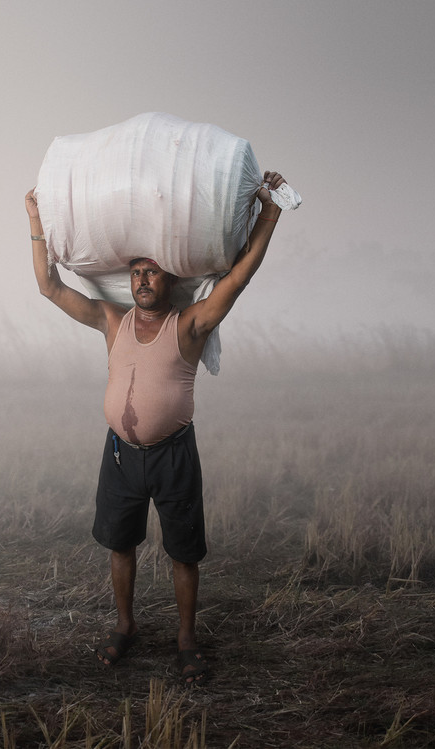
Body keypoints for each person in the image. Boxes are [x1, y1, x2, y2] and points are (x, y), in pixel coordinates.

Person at [25, 171, 287, 684]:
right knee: (120, 545)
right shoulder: (111, 319)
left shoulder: (188, 324)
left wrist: (270, 212)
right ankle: (125, 627)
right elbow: (48, 285)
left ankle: (186, 639)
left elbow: (239, 277)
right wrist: (35, 218)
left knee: (183, 552)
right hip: (121, 455)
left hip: (173, 455)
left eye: (152, 273)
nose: (143, 280)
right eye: (137, 273)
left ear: (169, 280)